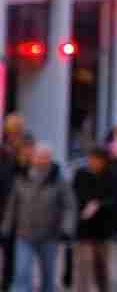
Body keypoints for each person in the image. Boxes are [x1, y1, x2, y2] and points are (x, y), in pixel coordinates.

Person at [1, 143, 70, 292]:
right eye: (39, 157)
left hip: (49, 236)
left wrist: (67, 228)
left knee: (48, 276)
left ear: (50, 159)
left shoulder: (58, 180)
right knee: (21, 274)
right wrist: (5, 228)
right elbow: (12, 206)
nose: (42, 161)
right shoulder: (21, 178)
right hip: (24, 235)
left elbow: (69, 205)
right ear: (32, 158)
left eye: (45, 158)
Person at [72, 148, 117, 292]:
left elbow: (114, 200)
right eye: (90, 159)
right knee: (83, 266)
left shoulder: (111, 176)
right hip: (83, 228)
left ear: (104, 162)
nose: (92, 163)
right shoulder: (81, 174)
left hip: (102, 229)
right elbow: (75, 196)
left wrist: (99, 204)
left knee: (101, 267)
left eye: (96, 160)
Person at [0, 114, 25, 291]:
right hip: (2, 203)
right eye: (12, 129)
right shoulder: (2, 148)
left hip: (15, 208)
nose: (14, 133)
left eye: (17, 130)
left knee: (11, 252)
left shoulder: (24, 149)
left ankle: (8, 284)